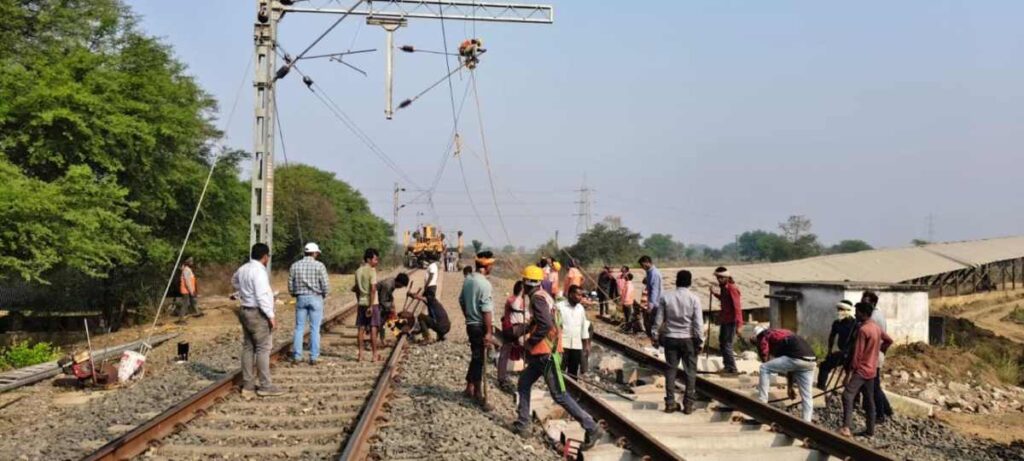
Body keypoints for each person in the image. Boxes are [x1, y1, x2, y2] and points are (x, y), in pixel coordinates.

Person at [513, 265, 604, 450]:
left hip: (545, 354)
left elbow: (545, 324)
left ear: (525, 282)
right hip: (545, 353)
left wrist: (530, 342)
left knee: (559, 395)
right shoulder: (544, 295)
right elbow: (541, 321)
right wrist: (522, 331)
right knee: (523, 383)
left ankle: (591, 426)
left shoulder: (537, 299)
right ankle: (523, 423)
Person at [232, 243, 284, 398]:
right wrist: (270, 315)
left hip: (245, 310)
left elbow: (234, 281)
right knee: (263, 348)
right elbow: (262, 295)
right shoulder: (259, 272)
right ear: (265, 257)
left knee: (248, 347)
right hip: (257, 312)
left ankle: (248, 385)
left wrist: (243, 292)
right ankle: (265, 386)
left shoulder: (243, 268)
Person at [651, 270, 703, 413]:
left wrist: (655, 335)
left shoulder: (666, 297)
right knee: (690, 372)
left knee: (671, 370)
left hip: (671, 338)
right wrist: (701, 341)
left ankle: (670, 403)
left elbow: (658, 319)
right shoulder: (694, 299)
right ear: (690, 282)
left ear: (677, 281)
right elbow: (698, 323)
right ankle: (688, 405)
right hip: (689, 339)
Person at [841, 302, 894, 437]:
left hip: (862, 370)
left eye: (857, 312)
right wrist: (880, 351)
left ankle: (846, 427)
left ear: (864, 314)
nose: (855, 314)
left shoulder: (863, 330)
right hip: (872, 370)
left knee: (847, 395)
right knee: (869, 400)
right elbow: (889, 340)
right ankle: (870, 430)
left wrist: (848, 374)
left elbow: (857, 354)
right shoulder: (876, 328)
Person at [751, 325, 816, 422]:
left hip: (797, 358)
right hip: (811, 361)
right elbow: (790, 367)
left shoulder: (764, 335)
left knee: (764, 368)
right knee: (807, 396)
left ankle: (762, 403)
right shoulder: (782, 334)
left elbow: (764, 355)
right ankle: (807, 422)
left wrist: (763, 356)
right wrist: (790, 388)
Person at [459, 251, 496, 404]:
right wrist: (488, 332)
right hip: (479, 326)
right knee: (479, 359)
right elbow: (486, 310)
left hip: (470, 325)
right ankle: (478, 393)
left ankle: (469, 387)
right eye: (491, 265)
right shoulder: (485, 284)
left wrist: (468, 316)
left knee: (475, 356)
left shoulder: (468, 280)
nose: (492, 268)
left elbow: (461, 300)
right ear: (486, 266)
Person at [289, 243, 330, 365]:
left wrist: (294, 294)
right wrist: (324, 294)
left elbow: (290, 283)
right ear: (314, 253)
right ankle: (314, 357)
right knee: (315, 328)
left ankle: (297, 356)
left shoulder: (295, 265)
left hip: (300, 298)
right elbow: (325, 284)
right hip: (316, 297)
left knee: (299, 328)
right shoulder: (319, 266)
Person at [860, 291, 894, 423]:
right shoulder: (878, 314)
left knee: (874, 386)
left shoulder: (872, 318)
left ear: (873, 303)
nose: (863, 305)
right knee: (875, 385)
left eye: (865, 302)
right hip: (876, 354)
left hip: (872, 355)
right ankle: (886, 409)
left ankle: (880, 414)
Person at [817, 300, 856, 389]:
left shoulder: (855, 324)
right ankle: (821, 387)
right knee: (824, 365)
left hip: (851, 353)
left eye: (842, 309)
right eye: (839, 309)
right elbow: (832, 336)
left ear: (847, 311)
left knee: (850, 374)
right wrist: (829, 350)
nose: (839, 312)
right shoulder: (837, 323)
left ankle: (855, 396)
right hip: (842, 352)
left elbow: (856, 340)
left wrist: (849, 352)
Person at [498, 281, 530, 387]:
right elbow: (517, 309)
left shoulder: (513, 299)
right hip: (514, 328)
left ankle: (502, 377)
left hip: (509, 328)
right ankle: (524, 374)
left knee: (505, 352)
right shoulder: (515, 300)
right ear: (522, 290)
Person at [713, 266, 743, 374]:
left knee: (727, 344)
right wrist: (715, 294)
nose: (718, 280)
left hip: (731, 320)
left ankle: (732, 368)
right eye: (717, 278)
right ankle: (727, 366)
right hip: (725, 320)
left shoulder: (732, 288)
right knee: (722, 343)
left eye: (721, 278)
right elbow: (724, 299)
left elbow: (737, 307)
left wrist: (739, 325)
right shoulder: (724, 288)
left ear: (727, 277)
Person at [557, 285, 591, 379]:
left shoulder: (580, 308)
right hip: (563, 344)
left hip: (576, 345)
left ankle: (571, 391)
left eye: (581, 295)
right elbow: (555, 326)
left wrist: (586, 344)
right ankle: (559, 392)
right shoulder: (560, 306)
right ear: (571, 294)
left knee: (573, 371)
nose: (580, 297)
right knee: (560, 370)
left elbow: (584, 327)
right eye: (578, 295)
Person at [355, 248, 382, 362]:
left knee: (361, 328)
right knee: (373, 328)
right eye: (375, 259)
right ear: (369, 259)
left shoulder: (358, 271)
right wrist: (371, 305)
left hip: (361, 302)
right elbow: (373, 289)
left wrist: (360, 300)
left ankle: (360, 355)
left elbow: (356, 289)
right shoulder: (372, 271)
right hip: (373, 303)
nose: (377, 262)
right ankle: (374, 355)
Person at [377, 272, 410, 342]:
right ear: (399, 283)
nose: (401, 288)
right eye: (402, 286)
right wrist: (391, 307)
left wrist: (392, 304)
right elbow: (382, 300)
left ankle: (395, 336)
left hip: (382, 301)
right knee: (381, 321)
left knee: (390, 320)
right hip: (374, 301)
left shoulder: (393, 283)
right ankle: (376, 339)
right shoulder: (388, 285)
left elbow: (389, 296)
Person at [638, 256, 662, 338]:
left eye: (642, 265)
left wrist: (650, 305)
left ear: (647, 262)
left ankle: (654, 340)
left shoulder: (654, 273)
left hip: (656, 303)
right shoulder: (649, 272)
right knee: (649, 322)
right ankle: (651, 338)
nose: (642, 267)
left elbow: (654, 290)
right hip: (653, 302)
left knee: (653, 323)